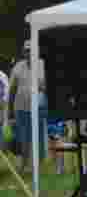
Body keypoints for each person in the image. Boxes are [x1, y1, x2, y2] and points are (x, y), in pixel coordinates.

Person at [8, 40, 48, 172]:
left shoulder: (43, 65)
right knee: (23, 139)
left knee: (39, 138)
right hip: (21, 109)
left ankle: (39, 166)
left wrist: (43, 87)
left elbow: (51, 87)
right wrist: (10, 111)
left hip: (39, 109)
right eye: (26, 50)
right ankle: (24, 165)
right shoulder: (18, 67)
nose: (29, 53)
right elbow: (12, 90)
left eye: (31, 50)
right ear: (23, 52)